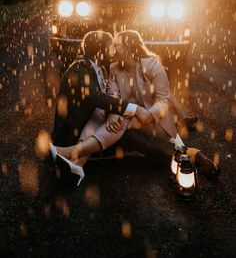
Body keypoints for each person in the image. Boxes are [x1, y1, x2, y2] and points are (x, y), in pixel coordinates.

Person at [53, 30, 220, 184]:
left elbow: (164, 100)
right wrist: (113, 112)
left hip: (154, 122)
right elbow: (112, 94)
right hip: (129, 121)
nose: (113, 49)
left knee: (123, 119)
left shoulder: (153, 65)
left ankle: (73, 154)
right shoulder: (113, 68)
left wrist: (144, 115)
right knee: (112, 119)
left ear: (128, 48)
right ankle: (77, 163)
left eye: (116, 45)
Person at [50, 30, 152, 185]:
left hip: (89, 125)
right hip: (71, 134)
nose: (113, 51)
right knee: (128, 134)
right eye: (110, 47)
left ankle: (76, 167)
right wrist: (134, 109)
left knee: (123, 127)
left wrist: (113, 111)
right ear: (101, 51)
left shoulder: (99, 68)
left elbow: (106, 99)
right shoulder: (80, 68)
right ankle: (173, 153)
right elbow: (96, 98)